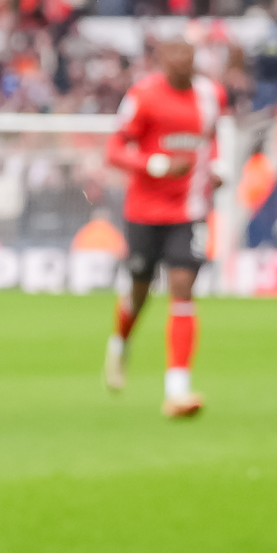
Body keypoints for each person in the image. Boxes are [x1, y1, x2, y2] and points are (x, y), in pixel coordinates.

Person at [102, 35, 224, 418]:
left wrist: (216, 170)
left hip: (189, 209)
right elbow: (115, 149)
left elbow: (211, 140)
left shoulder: (209, 96)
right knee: (139, 292)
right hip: (145, 210)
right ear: (162, 63)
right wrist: (154, 165)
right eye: (176, 59)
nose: (184, 65)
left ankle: (177, 390)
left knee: (183, 287)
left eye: (189, 58)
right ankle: (120, 344)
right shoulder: (143, 97)